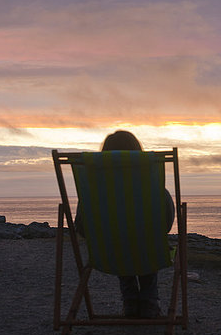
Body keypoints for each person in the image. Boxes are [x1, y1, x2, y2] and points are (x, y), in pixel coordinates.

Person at [75, 130, 175, 319]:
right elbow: (165, 224)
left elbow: (81, 227)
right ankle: (149, 302)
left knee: (119, 238)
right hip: (149, 247)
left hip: (107, 252)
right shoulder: (152, 191)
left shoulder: (94, 194)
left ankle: (130, 300)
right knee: (146, 239)